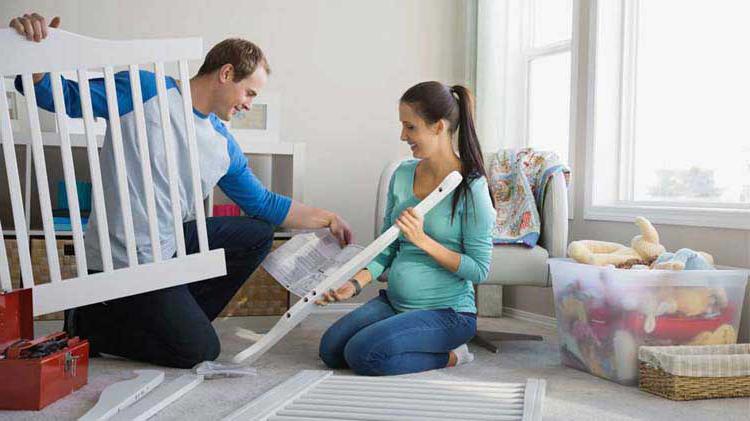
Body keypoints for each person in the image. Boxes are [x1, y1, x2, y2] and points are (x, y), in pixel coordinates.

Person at [9, 13, 353, 368]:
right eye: (249, 91)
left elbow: (262, 202)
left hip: (170, 249)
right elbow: (62, 96)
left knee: (255, 233)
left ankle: (170, 319)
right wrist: (35, 53)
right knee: (200, 352)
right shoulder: (146, 90)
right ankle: (92, 327)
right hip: (124, 260)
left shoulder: (223, 144)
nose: (249, 103)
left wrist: (327, 218)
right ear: (226, 73)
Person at [316, 81, 496, 376]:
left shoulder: (471, 188)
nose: (403, 136)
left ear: (438, 127)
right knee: (331, 350)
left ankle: (452, 356)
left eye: (410, 127)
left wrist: (422, 240)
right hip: (396, 303)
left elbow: (479, 269)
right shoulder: (402, 175)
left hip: (448, 314)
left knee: (363, 354)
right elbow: (386, 248)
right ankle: (404, 338)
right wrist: (355, 284)